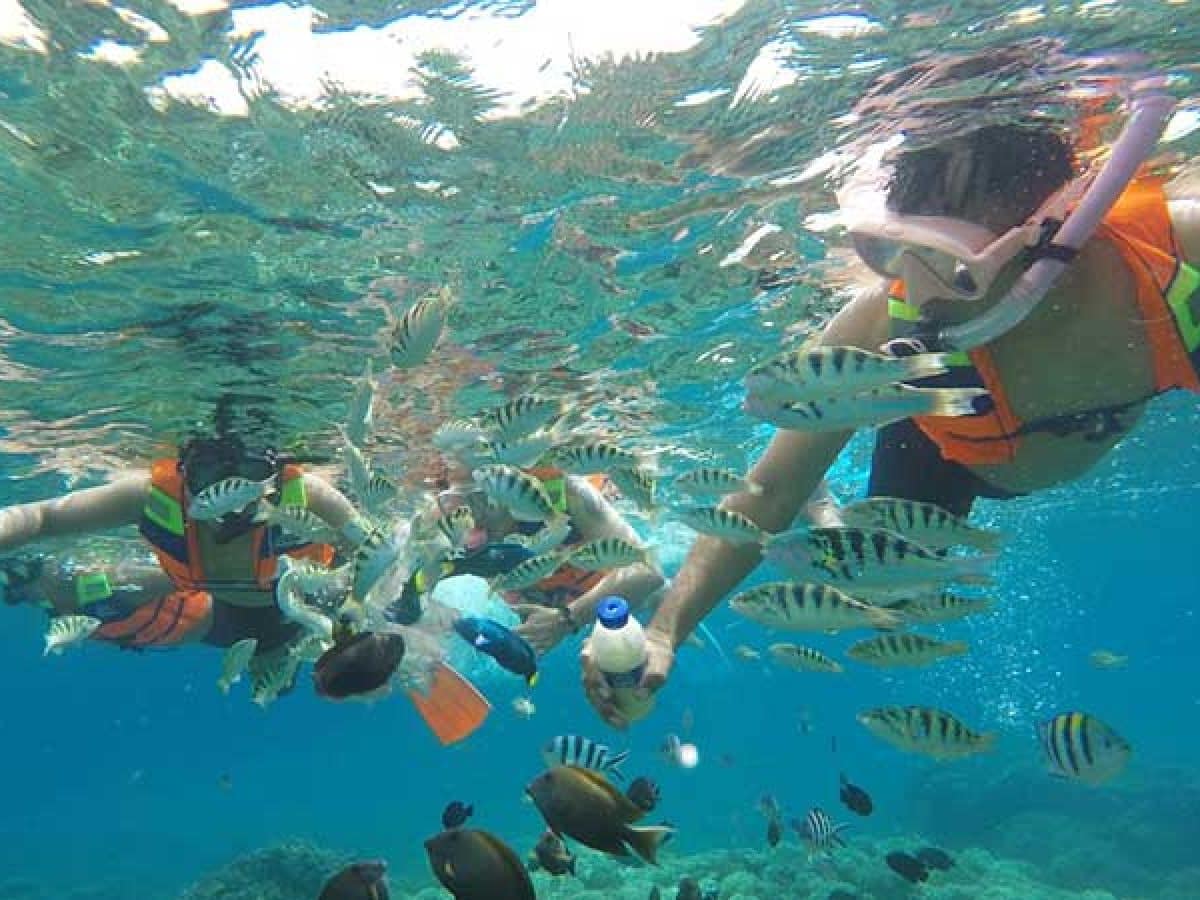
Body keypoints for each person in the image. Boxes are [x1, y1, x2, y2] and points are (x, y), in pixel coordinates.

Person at [582, 89, 1200, 727]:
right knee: (891, 596)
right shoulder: (881, 328)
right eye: (893, 250)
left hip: (1020, 437)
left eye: (947, 259)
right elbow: (768, 490)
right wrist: (665, 629)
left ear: (1055, 232)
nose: (917, 289)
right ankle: (824, 488)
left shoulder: (1175, 256)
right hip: (945, 453)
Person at [0, 433, 491, 743]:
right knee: (94, 594)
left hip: (309, 615)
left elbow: (377, 551)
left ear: (273, 475)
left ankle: (413, 654)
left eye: (252, 476)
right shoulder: (149, 495)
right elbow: (42, 517)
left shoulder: (307, 495)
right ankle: (29, 581)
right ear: (185, 472)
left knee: (339, 645)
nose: (232, 500)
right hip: (219, 612)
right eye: (211, 476)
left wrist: (387, 612)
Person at [416, 461, 665, 656]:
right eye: (452, 495)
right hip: (557, 609)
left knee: (661, 600)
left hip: (625, 599)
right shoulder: (443, 526)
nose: (469, 512)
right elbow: (404, 589)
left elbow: (649, 572)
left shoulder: (565, 493)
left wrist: (567, 619)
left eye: (478, 495)